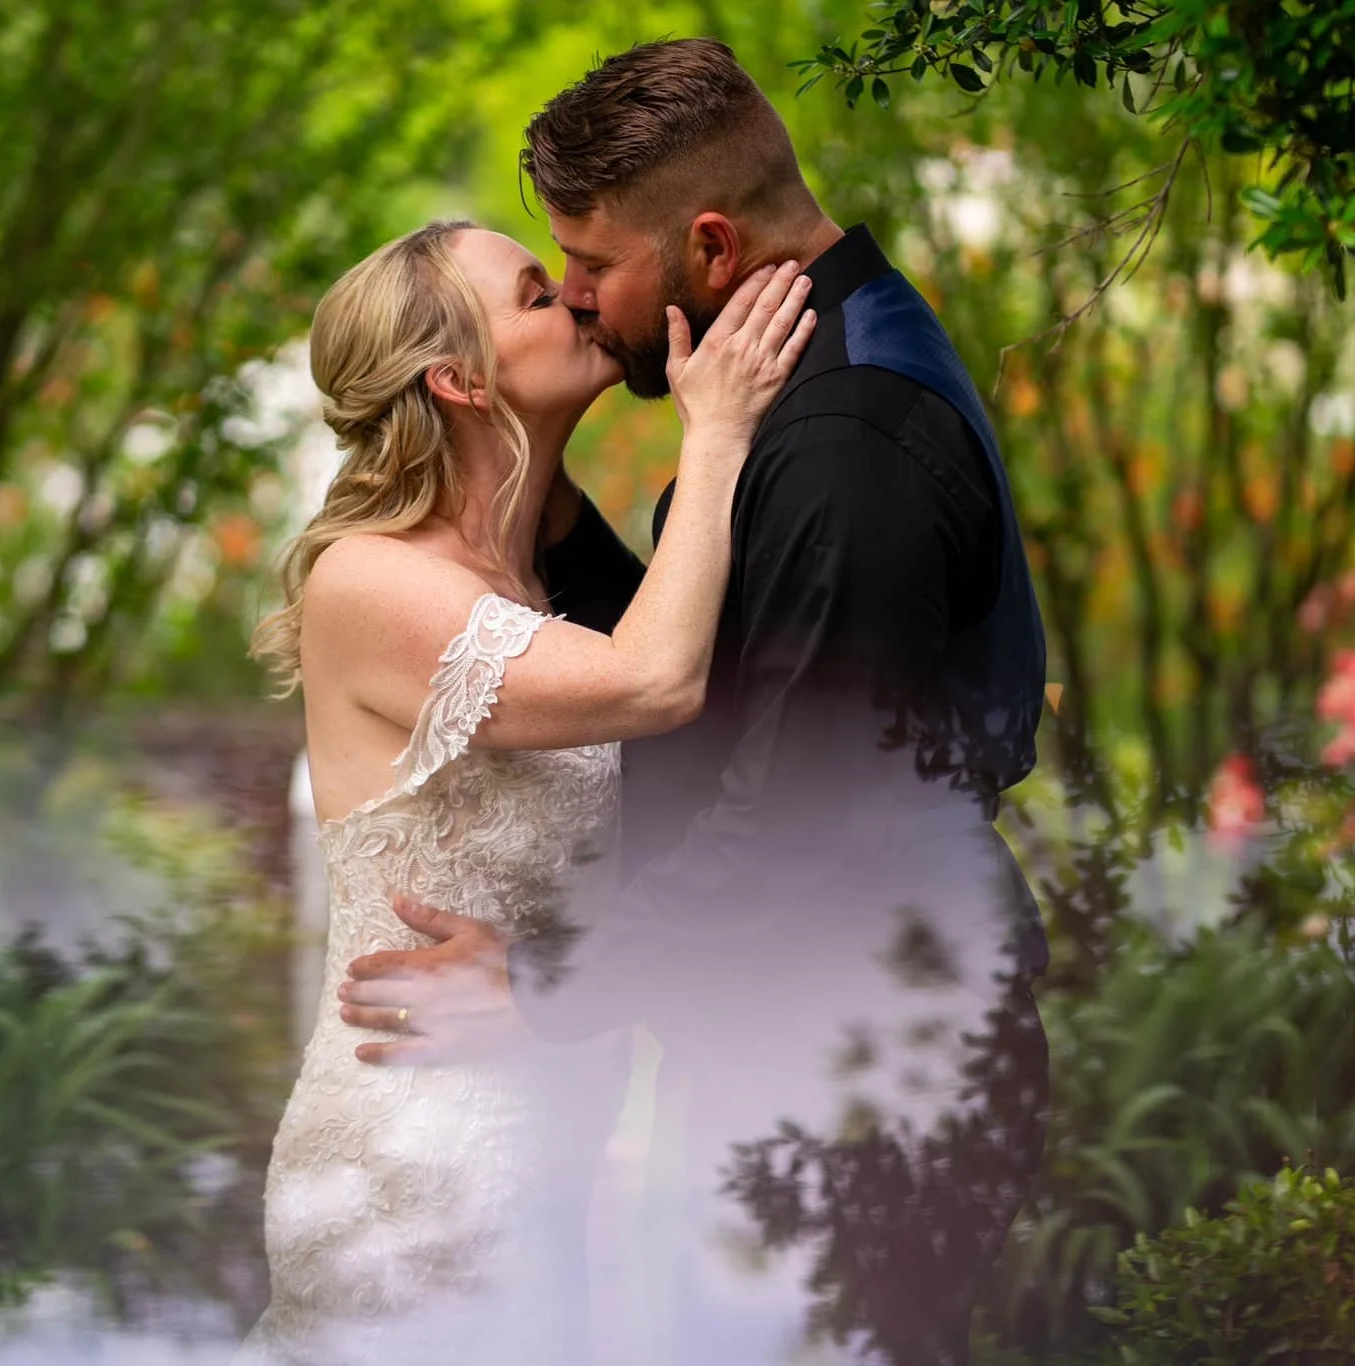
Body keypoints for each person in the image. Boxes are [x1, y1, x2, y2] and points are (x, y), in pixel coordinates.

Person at [337, 38, 1053, 1366]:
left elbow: (797, 813)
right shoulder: (811, 375)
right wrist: (526, 490)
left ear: (710, 245)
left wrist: (544, 986)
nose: (588, 306)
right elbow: (723, 676)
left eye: (594, 270)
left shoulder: (846, 442)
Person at [235, 217, 815, 1366]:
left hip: (545, 1156)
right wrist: (718, 428)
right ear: (455, 377)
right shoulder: (369, 580)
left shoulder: (544, 582)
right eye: (541, 294)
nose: (586, 302)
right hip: (413, 1165)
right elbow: (655, 681)